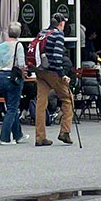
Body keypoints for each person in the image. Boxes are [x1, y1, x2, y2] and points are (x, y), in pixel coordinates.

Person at [32, 13, 75, 146]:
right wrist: (62, 74)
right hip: (52, 72)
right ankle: (65, 132)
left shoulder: (42, 33)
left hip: (40, 71)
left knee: (41, 103)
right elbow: (57, 56)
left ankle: (40, 137)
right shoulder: (58, 35)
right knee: (68, 98)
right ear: (61, 23)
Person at [0, 23, 26, 144]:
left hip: (1, 76)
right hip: (12, 77)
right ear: (19, 33)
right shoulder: (18, 45)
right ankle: (5, 138)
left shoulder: (1, 45)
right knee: (12, 108)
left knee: (10, 106)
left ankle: (18, 134)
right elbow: (21, 64)